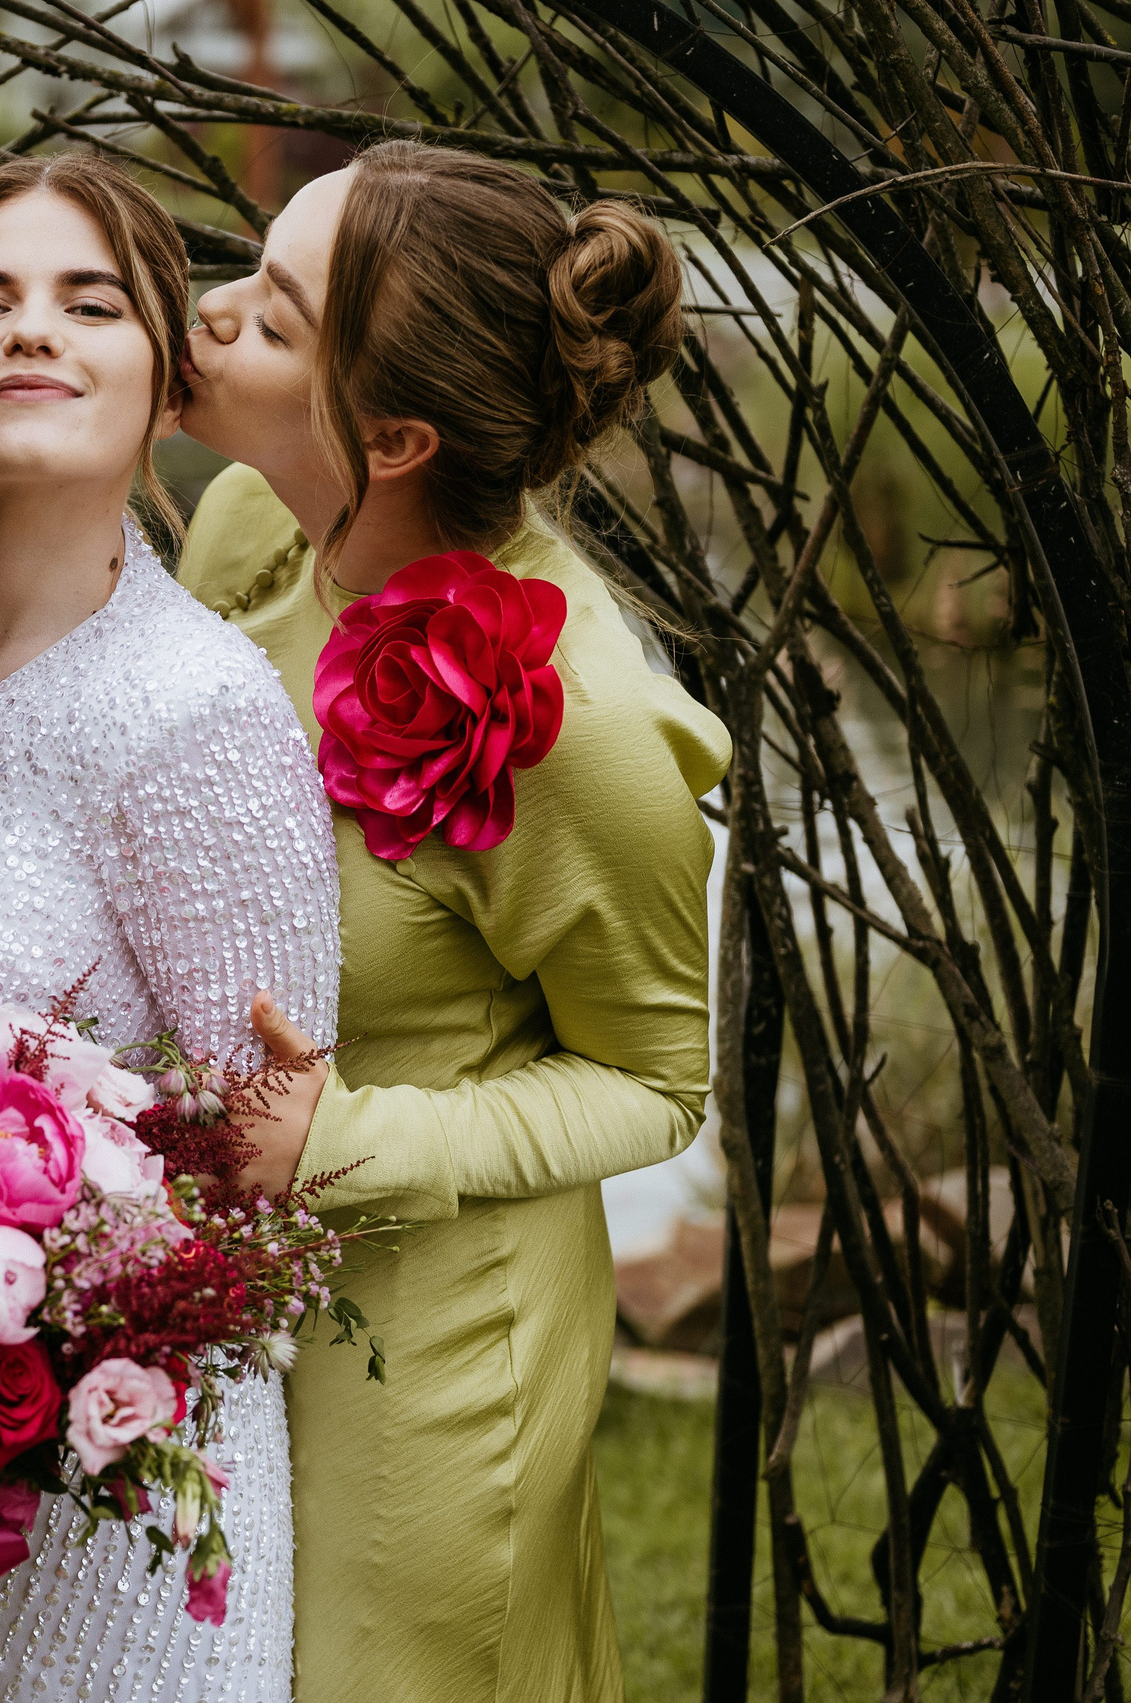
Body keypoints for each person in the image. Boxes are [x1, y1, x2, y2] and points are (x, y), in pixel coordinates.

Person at [172, 141, 729, 1702]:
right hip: (226, 1308)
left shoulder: (575, 726)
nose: (209, 316)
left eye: (273, 318)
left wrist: (349, 1144)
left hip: (429, 1354)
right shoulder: (249, 530)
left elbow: (656, 1084)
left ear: (395, 436)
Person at [0, 151, 340, 1703]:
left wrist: (29, 1312)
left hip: (112, 1491)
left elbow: (265, 1173)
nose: (32, 330)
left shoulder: (201, 714)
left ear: (166, 376)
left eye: (91, 303)